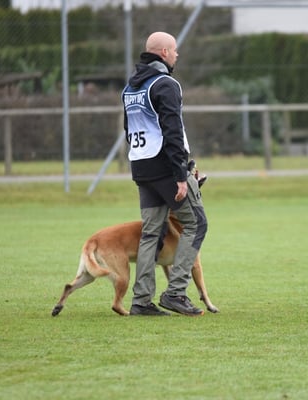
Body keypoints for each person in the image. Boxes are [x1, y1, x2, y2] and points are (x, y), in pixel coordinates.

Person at [122, 32, 208, 316]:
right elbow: (172, 130)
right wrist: (181, 174)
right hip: (165, 168)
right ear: (163, 53)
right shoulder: (166, 84)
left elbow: (129, 130)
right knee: (196, 224)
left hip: (141, 168)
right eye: (174, 50)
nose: (177, 54)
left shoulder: (130, 88)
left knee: (151, 233)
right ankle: (175, 293)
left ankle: (141, 301)